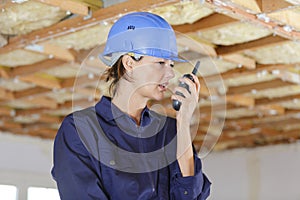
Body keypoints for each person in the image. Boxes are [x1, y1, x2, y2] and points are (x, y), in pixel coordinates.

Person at [51, 12, 211, 200]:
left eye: (171, 65)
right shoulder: (80, 130)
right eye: (160, 62)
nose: (169, 74)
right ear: (129, 63)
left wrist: (183, 123)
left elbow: (190, 195)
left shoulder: (170, 131)